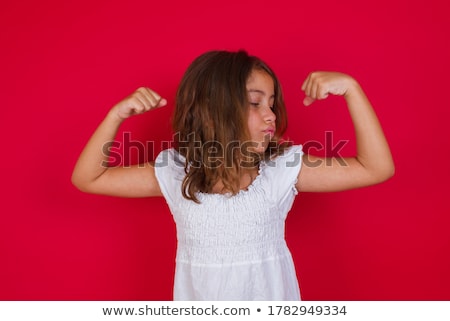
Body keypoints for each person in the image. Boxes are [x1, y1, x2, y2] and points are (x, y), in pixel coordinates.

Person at [71, 50, 394, 300]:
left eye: (272, 103)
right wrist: (116, 116)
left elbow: (375, 168)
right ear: (212, 110)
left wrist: (352, 90)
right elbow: (89, 178)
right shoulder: (175, 173)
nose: (271, 115)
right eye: (255, 102)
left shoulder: (281, 170)